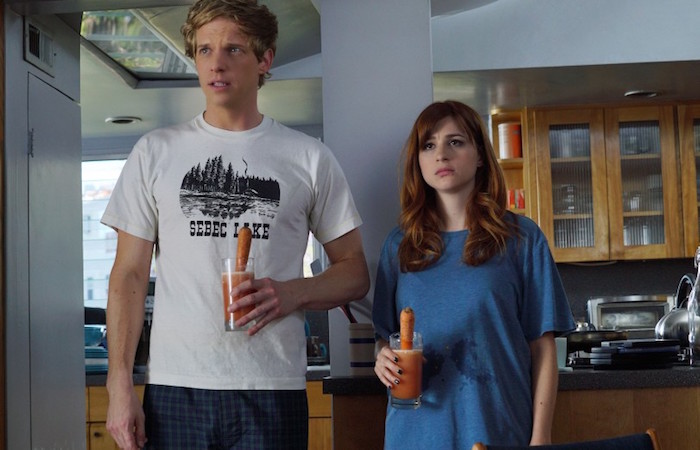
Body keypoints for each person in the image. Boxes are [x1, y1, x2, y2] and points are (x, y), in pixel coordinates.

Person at [102, 1, 370, 448]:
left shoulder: (309, 157)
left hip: (272, 388)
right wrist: (119, 384)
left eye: (234, 49)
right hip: (176, 387)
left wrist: (292, 292)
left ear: (265, 59)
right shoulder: (155, 152)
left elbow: (355, 272)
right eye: (204, 50)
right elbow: (129, 273)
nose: (216, 63)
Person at [372, 100, 575, 448]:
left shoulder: (522, 239)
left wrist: (541, 437)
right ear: (418, 161)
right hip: (414, 435)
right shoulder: (398, 246)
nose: (441, 155)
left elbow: (543, 348)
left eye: (456, 142)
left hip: (498, 429)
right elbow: (385, 337)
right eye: (429, 146)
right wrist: (381, 359)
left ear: (480, 155)